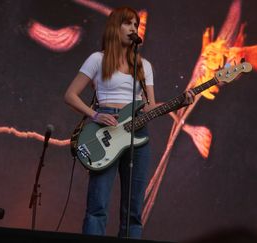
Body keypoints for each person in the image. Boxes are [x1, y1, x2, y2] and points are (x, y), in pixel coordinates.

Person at [64, 7, 194, 238]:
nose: (134, 28)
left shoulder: (144, 66)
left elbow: (151, 107)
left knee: (134, 209)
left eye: (136, 24)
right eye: (128, 23)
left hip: (138, 132)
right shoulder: (98, 59)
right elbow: (70, 95)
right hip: (106, 129)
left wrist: (179, 103)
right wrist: (95, 115)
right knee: (98, 205)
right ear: (116, 26)